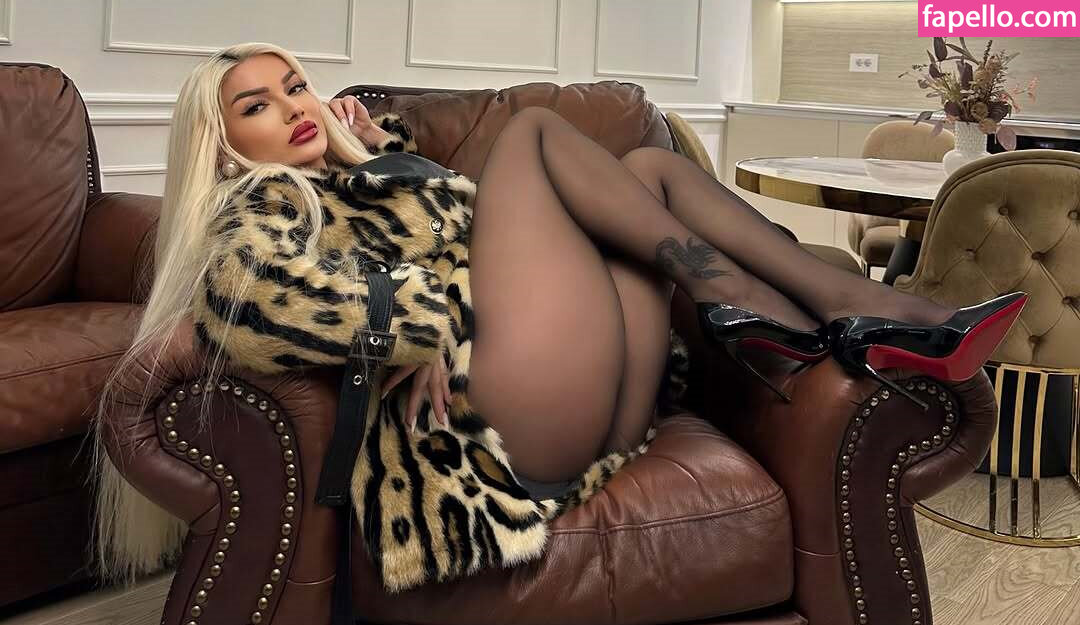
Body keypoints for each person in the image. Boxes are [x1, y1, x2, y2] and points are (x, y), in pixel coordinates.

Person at [91, 42, 1025, 586]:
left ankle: (830, 310)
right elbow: (254, 300)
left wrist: (378, 152)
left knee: (650, 169)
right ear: (224, 145)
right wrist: (418, 320)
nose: (292, 106)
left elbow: (487, 234)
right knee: (538, 136)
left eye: (295, 85)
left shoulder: (361, 178)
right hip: (483, 438)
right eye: (256, 106)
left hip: (572, 406)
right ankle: (834, 311)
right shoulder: (256, 205)